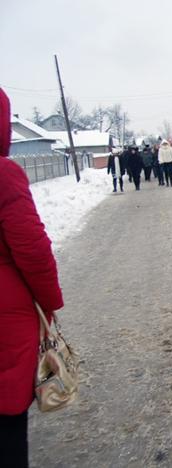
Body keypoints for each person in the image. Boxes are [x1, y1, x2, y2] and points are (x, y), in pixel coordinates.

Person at [0, 88, 64, 467]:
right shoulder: (5, 175)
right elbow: (32, 251)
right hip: (6, 316)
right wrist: (50, 301)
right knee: (6, 417)